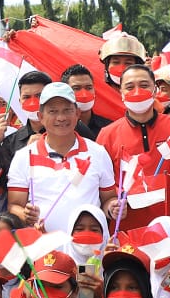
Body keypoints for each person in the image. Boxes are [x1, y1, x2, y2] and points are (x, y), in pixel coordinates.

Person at [97, 64, 170, 230]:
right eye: (130, 87)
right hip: (127, 231)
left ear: (155, 89)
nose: (137, 91)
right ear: (121, 92)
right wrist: (112, 206)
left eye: (144, 85)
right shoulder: (107, 134)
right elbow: (102, 186)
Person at [6, 83, 116, 234]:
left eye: (67, 110)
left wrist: (113, 208)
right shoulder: (23, 157)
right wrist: (25, 215)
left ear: (77, 113)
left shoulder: (98, 153)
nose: (61, 117)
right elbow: (14, 205)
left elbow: (108, 199)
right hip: (44, 249)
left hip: (89, 248)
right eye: (53, 111)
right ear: (40, 116)